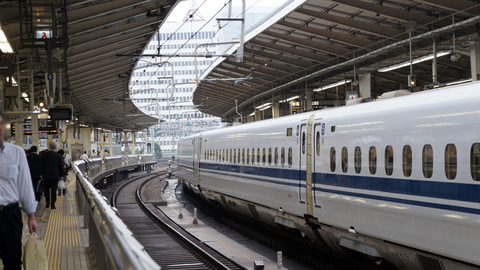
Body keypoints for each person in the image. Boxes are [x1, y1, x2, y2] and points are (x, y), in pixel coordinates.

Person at [0, 111, 38, 270]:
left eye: (1, 124)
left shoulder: (17, 152)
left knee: (13, 261)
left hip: (9, 214)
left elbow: (25, 185)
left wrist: (31, 216)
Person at [41, 142, 65, 209]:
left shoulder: (44, 155)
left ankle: (47, 201)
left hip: (46, 175)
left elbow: (42, 165)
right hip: (55, 176)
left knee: (46, 190)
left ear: (49, 147)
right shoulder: (58, 156)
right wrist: (61, 175)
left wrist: (41, 173)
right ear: (56, 148)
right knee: (54, 190)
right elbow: (61, 167)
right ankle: (53, 204)